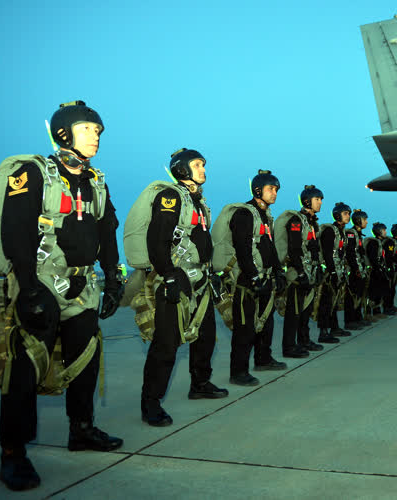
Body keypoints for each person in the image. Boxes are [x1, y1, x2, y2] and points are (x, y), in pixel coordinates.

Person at [0, 101, 123, 491]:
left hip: (83, 286)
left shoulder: (96, 182)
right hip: (41, 283)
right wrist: (28, 289)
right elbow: (15, 231)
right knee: (25, 368)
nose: (95, 137)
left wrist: (113, 277)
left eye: (98, 131)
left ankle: (81, 429)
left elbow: (107, 231)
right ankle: (13, 453)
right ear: (64, 133)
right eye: (87, 129)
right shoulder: (33, 173)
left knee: (86, 360)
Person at [134, 148, 228, 428]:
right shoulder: (171, 196)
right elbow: (157, 239)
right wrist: (168, 275)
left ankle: (200, 384)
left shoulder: (197, 201)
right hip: (176, 278)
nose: (203, 169)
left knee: (206, 336)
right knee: (166, 344)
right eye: (197, 164)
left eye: (203, 165)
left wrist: (212, 273)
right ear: (182, 169)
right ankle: (151, 403)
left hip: (200, 279)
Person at [213, 170, 288, 386]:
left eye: (276, 189)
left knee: (266, 322)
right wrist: (254, 278)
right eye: (270, 189)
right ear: (257, 190)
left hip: (264, 277)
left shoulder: (265, 215)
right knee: (244, 328)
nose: (274, 193)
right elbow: (243, 249)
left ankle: (263, 359)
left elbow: (270, 247)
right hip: (245, 280)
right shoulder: (244, 214)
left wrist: (278, 271)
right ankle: (238, 372)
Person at [278, 185, 325, 358]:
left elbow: (314, 248)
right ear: (307, 201)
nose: (320, 203)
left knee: (306, 310)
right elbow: (294, 248)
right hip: (297, 272)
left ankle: (304, 341)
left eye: (321, 199)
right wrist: (300, 272)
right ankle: (289, 347)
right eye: (317, 199)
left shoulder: (312, 222)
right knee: (294, 311)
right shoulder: (296, 221)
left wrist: (317, 268)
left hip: (309, 270)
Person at [317, 202, 354, 343]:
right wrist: (332, 272)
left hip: (338, 271)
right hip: (329, 273)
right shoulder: (330, 231)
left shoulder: (342, 232)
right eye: (345, 213)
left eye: (349, 214)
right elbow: (327, 253)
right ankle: (323, 332)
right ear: (337, 215)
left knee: (334, 301)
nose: (348, 216)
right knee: (325, 302)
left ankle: (334, 327)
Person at [344, 209, 372, 330]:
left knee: (359, 295)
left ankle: (358, 317)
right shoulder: (351, 234)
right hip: (353, 270)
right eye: (364, 219)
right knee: (351, 296)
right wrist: (356, 270)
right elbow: (350, 254)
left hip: (359, 269)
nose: (366, 222)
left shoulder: (358, 234)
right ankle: (350, 321)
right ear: (357, 220)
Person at [364, 222, 393, 319]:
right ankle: (368, 313)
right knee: (371, 293)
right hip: (373, 271)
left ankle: (377, 312)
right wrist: (377, 269)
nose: (385, 232)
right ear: (379, 231)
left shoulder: (379, 242)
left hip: (378, 270)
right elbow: (373, 258)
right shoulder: (373, 243)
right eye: (384, 230)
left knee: (378, 292)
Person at [383, 223, 397, 313]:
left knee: (393, 289)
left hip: (394, 269)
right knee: (389, 289)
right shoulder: (390, 242)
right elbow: (389, 257)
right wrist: (390, 269)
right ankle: (387, 307)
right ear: (394, 232)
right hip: (389, 268)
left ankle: (391, 305)